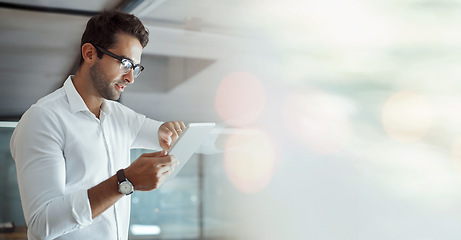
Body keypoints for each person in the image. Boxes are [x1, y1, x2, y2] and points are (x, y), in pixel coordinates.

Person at [10, 10, 185, 240]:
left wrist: (170, 130)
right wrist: (124, 181)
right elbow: (42, 223)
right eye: (125, 63)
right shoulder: (43, 120)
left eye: (135, 67)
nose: (130, 78)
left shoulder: (120, 117)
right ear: (90, 53)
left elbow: (168, 135)